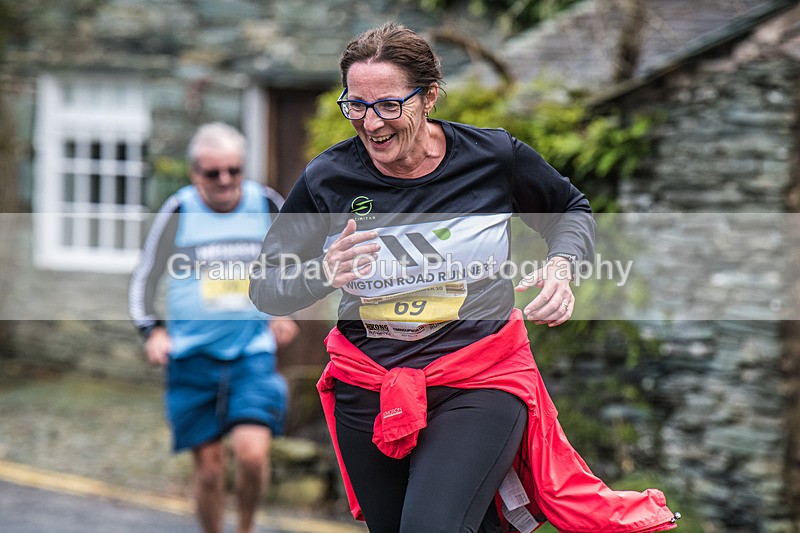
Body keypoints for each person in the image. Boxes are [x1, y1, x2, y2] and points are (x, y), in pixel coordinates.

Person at [249, 22, 678, 533]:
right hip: (369, 384)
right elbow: (266, 286)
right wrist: (323, 272)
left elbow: (570, 209)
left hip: (478, 375)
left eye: (388, 105)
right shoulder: (328, 176)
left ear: (428, 97)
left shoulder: (492, 157)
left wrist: (561, 268)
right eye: (356, 105)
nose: (370, 123)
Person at [129, 122, 298, 533]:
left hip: (252, 354)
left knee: (253, 454)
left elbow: (296, 263)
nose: (225, 181)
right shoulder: (179, 210)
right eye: (213, 173)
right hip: (191, 358)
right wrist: (153, 331)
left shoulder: (266, 203)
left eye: (234, 170)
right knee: (208, 470)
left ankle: (244, 527)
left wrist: (283, 310)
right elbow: (144, 279)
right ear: (195, 174)